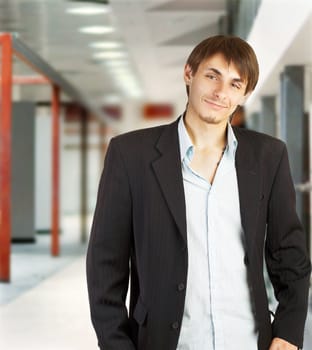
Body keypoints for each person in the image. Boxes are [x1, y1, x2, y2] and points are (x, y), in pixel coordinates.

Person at [86, 35, 311, 350]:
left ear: (244, 94)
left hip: (248, 341)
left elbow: (289, 253)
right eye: (212, 76)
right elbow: (104, 262)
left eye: (235, 84)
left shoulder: (268, 156)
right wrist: (116, 344)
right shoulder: (130, 155)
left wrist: (288, 331)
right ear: (189, 73)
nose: (221, 92)